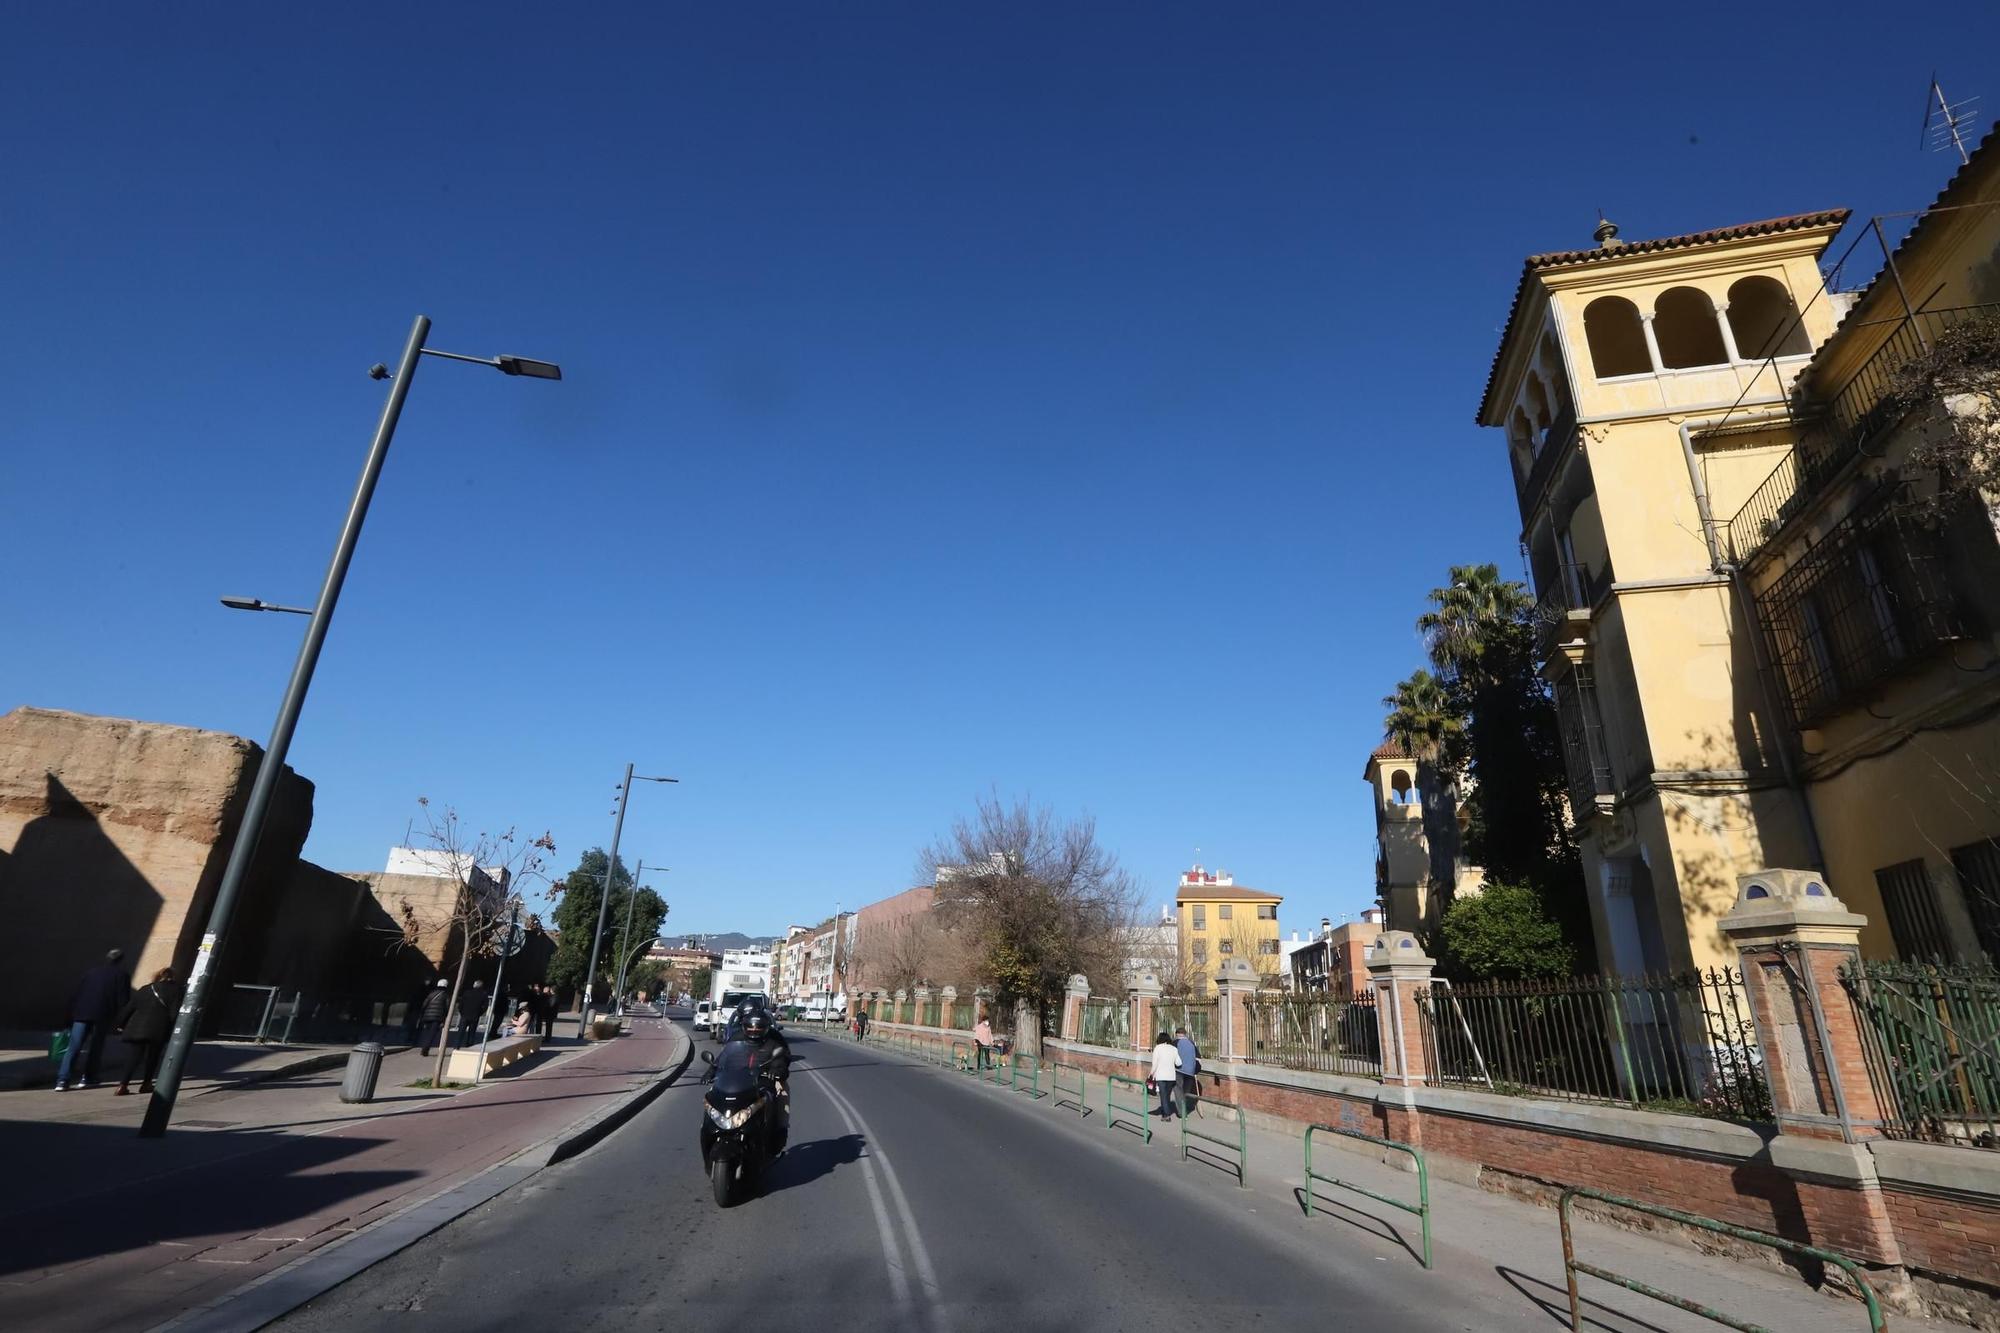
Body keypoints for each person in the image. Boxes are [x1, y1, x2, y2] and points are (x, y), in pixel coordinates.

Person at [56, 949, 132, 1091]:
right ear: (121, 960)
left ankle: (62, 1080)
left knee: (74, 1047)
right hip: (102, 1014)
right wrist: (122, 1020)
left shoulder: (91, 973)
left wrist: (68, 1017)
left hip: (81, 1012)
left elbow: (77, 994)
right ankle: (88, 1077)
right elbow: (123, 1000)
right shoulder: (122, 975)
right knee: (95, 1047)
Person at [113, 968, 182, 1096]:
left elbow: (129, 1008)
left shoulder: (145, 989)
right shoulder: (175, 990)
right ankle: (146, 1083)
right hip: (158, 1028)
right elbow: (174, 1013)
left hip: (138, 1027)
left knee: (133, 1057)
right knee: (153, 1057)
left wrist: (120, 1024)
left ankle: (123, 1085)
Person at [1149, 1031, 1180, 1120]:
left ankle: (1166, 1114)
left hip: (1161, 1075)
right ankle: (1165, 1111)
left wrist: (1151, 1074)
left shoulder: (1158, 1048)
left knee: (1163, 1095)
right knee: (1167, 1095)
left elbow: (1154, 1064)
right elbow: (1179, 1063)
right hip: (1171, 1076)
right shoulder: (1174, 1049)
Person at [417, 979, 451, 1056]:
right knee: (432, 1034)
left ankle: (424, 1046)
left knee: (427, 1033)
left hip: (427, 1016)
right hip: (437, 1017)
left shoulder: (431, 993)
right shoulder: (445, 995)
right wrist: (444, 1018)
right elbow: (447, 1007)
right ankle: (425, 1049)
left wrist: (423, 1015)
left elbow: (424, 1005)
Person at [1174, 1026, 1202, 1117]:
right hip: (1190, 1072)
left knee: (1178, 1090)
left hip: (1179, 1070)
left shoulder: (1175, 1042)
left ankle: (1182, 1112)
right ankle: (1184, 1107)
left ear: (1177, 1034)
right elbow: (1198, 1058)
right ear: (1185, 1034)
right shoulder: (1191, 1043)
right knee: (1186, 1092)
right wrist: (1196, 1070)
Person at [456, 979, 486, 1047]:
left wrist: (462, 1012)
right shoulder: (483, 994)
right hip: (475, 1015)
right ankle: (469, 1045)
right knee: (472, 1032)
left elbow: (461, 1004)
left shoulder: (467, 993)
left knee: (461, 1031)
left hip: (465, 1015)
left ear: (474, 985)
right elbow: (485, 1006)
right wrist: (479, 1013)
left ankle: (457, 1045)